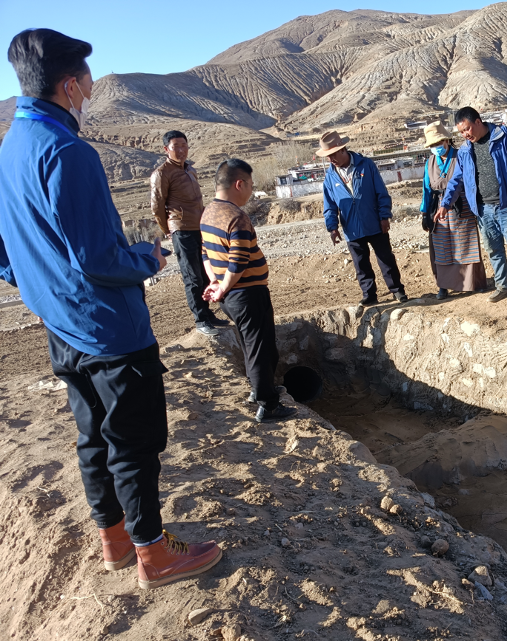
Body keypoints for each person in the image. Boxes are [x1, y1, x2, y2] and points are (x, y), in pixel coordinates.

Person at [0, 28, 222, 589]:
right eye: (89, 81)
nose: (92, 90)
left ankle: (116, 541)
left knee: (93, 436)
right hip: (107, 328)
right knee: (135, 442)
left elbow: (6, 249)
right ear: (70, 86)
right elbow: (98, 258)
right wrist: (147, 258)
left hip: (60, 325)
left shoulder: (11, 147)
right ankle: (154, 554)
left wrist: (34, 282)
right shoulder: (68, 152)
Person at [201, 159, 296, 424]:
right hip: (247, 294)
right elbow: (238, 262)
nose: (251, 191)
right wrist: (222, 288)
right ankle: (268, 405)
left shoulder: (208, 212)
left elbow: (205, 253)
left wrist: (215, 283)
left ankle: (260, 389)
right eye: (251, 185)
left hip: (232, 295)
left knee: (253, 345)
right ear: (239, 184)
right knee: (259, 349)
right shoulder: (237, 217)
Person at [436, 107, 507, 305]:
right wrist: (445, 204)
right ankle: (502, 287)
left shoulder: (503, 136)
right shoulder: (465, 150)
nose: (465, 134)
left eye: (467, 129)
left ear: (478, 122)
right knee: (494, 251)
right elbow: (457, 179)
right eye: (461, 132)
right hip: (483, 209)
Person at [151, 130, 229, 336]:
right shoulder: (162, 173)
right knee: (192, 276)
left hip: (199, 228)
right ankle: (201, 320)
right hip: (181, 229)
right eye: (176, 146)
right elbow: (157, 206)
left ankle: (209, 315)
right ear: (166, 149)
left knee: (205, 273)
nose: (181, 150)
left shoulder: (190, 170)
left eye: (184, 145)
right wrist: (168, 230)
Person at [319, 131, 407, 306]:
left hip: (375, 223)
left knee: (386, 259)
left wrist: (384, 216)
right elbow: (329, 206)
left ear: (343, 149)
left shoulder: (366, 165)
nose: (330, 159)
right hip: (351, 229)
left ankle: (397, 291)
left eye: (333, 154)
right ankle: (369, 295)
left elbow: (381, 193)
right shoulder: (329, 177)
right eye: (328, 156)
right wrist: (332, 227)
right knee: (361, 265)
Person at [420, 122, 487, 299]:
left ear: (446, 140)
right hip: (438, 208)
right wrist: (425, 213)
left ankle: (473, 282)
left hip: (461, 205)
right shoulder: (429, 163)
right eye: (433, 144)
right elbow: (427, 189)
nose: (436, 147)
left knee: (466, 244)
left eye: (438, 143)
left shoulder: (460, 156)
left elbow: (470, 181)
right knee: (441, 248)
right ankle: (444, 285)